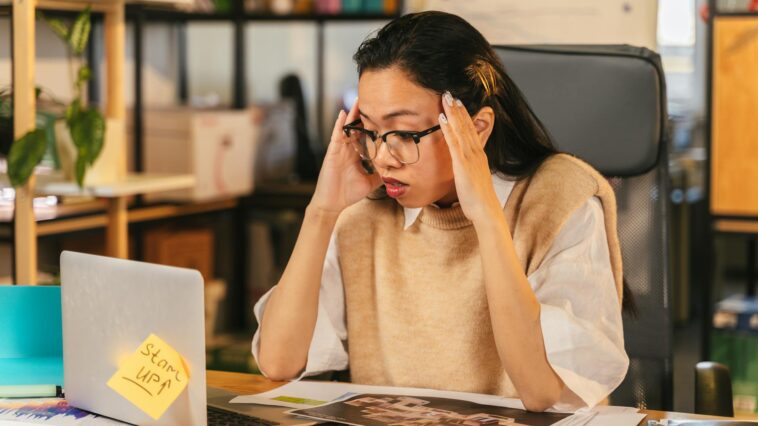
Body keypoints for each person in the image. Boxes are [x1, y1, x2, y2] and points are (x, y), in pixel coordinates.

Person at [253, 11, 629, 412]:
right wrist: (321, 212)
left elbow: (540, 392)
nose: (383, 158)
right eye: (372, 132)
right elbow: (278, 361)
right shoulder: (363, 214)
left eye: (404, 134)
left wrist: (485, 214)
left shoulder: (561, 199)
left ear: (478, 128)